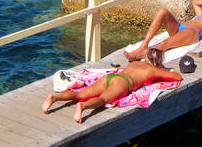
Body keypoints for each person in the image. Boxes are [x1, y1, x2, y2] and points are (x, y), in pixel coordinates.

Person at [42, 52, 182, 123]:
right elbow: (177, 77)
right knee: (102, 99)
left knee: (80, 94)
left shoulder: (135, 63)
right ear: (157, 62)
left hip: (110, 77)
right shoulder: (153, 70)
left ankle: (54, 98)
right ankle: (83, 107)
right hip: (123, 83)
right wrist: (166, 70)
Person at [122, 0, 202, 63]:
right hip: (181, 28)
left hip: (192, 33)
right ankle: (144, 45)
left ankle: (145, 54)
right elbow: (195, 2)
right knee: (162, 12)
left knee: (166, 43)